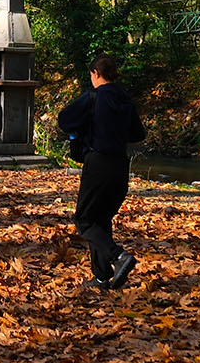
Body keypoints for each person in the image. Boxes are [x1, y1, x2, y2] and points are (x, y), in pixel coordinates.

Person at [56, 53, 148, 289]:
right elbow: (138, 134)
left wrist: (83, 129)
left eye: (91, 75)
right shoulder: (125, 100)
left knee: (84, 220)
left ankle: (119, 256)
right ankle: (101, 277)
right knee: (101, 219)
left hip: (98, 162)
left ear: (96, 73)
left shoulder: (93, 97)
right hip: (120, 164)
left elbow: (64, 118)